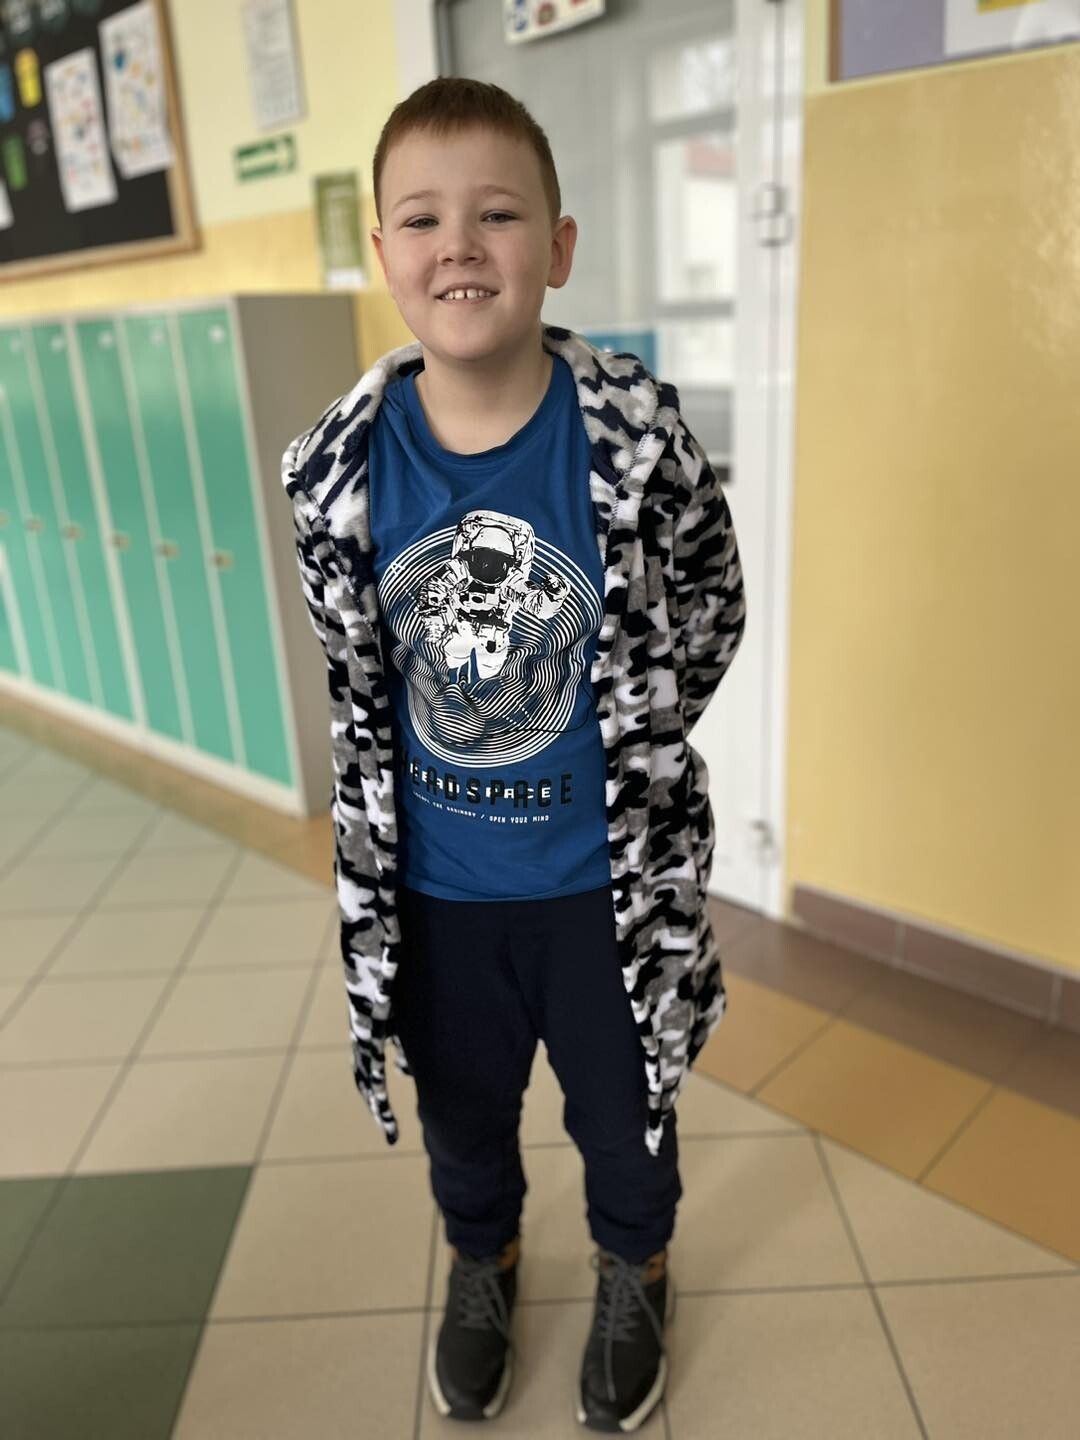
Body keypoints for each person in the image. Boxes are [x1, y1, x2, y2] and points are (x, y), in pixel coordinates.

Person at [282, 76, 746, 1434]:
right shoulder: (337, 474)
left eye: (497, 213)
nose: (460, 247)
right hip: (435, 898)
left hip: (606, 892)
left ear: (559, 245)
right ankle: (481, 1261)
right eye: (423, 220)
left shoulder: (636, 441)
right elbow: (359, 680)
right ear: (383, 254)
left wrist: (633, 741)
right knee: (465, 1117)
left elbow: (709, 606)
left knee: (628, 1113)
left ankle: (635, 1268)